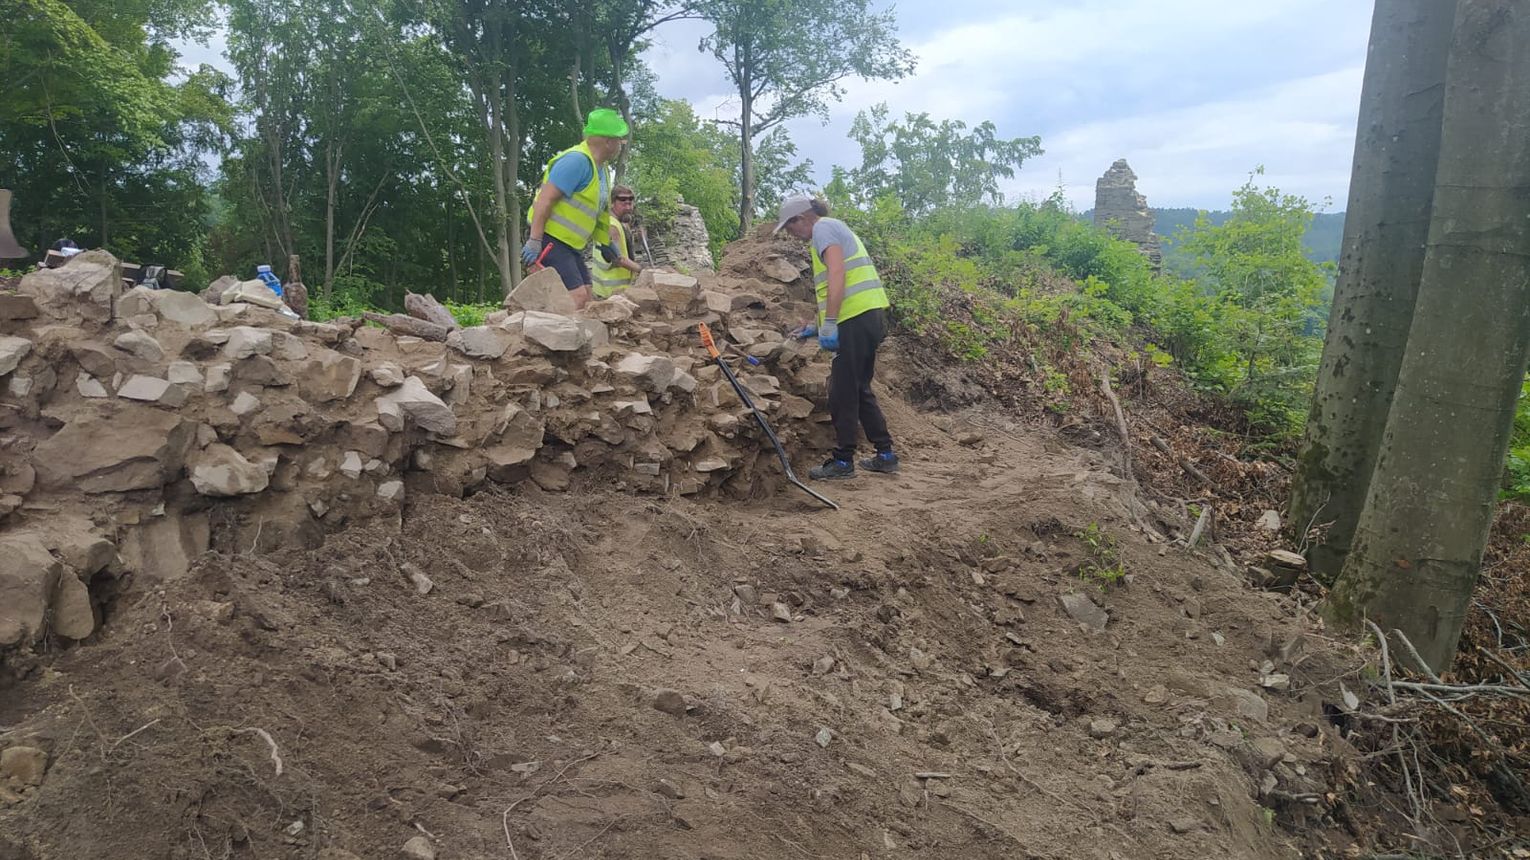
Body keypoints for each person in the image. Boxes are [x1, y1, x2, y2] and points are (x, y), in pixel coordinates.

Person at [774, 195, 899, 479]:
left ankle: (843, 461)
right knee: (858, 386)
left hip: (855, 317)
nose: (792, 234)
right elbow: (839, 284)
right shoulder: (830, 229)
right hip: (867, 315)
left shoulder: (823, 228)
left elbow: (838, 274)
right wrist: (819, 326)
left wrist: (830, 322)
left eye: (791, 227)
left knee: (842, 390)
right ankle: (885, 454)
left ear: (802, 219)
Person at [521, 108, 630, 309]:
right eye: (619, 141)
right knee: (575, 298)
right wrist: (535, 240)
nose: (620, 145)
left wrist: (607, 243)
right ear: (608, 141)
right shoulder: (576, 161)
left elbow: (595, 212)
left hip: (570, 245)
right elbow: (545, 200)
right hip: (550, 239)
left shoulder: (601, 168)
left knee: (587, 296)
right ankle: (551, 337)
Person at [591, 185, 642, 298]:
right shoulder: (612, 226)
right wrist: (642, 270)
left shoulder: (607, 222)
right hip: (611, 293)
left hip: (605, 290)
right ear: (612, 203)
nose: (628, 207)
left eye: (630, 203)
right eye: (623, 203)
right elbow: (619, 260)